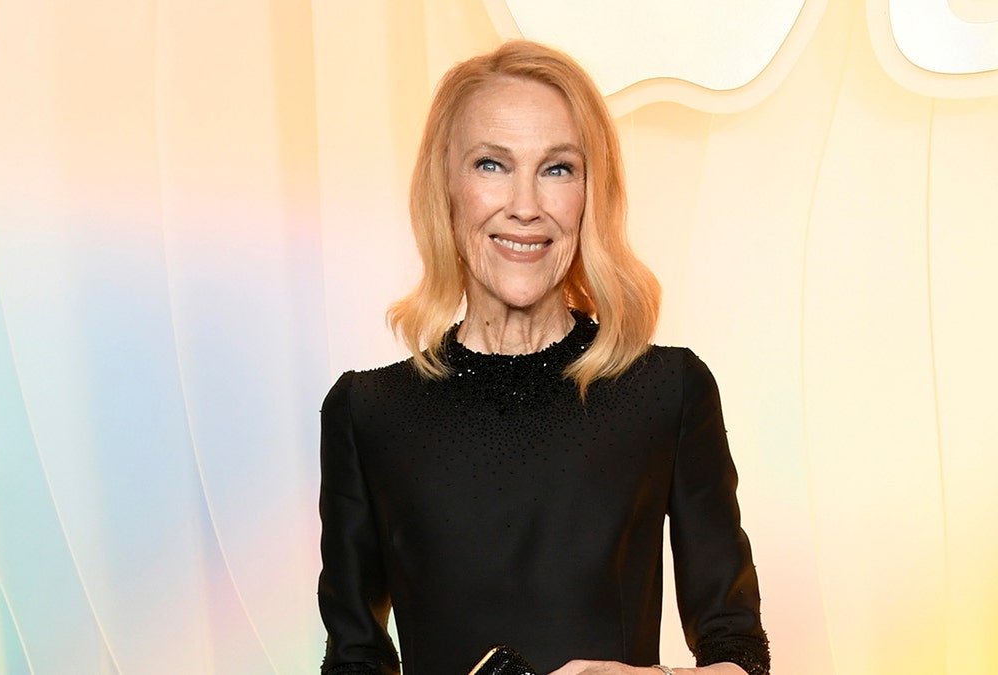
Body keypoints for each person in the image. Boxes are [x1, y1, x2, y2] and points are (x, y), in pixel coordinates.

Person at [318, 40, 769, 675]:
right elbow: (354, 660)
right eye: (491, 165)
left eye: (557, 169)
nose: (525, 206)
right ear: (445, 188)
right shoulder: (369, 413)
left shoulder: (670, 391)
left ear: (591, 192)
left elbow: (739, 651)